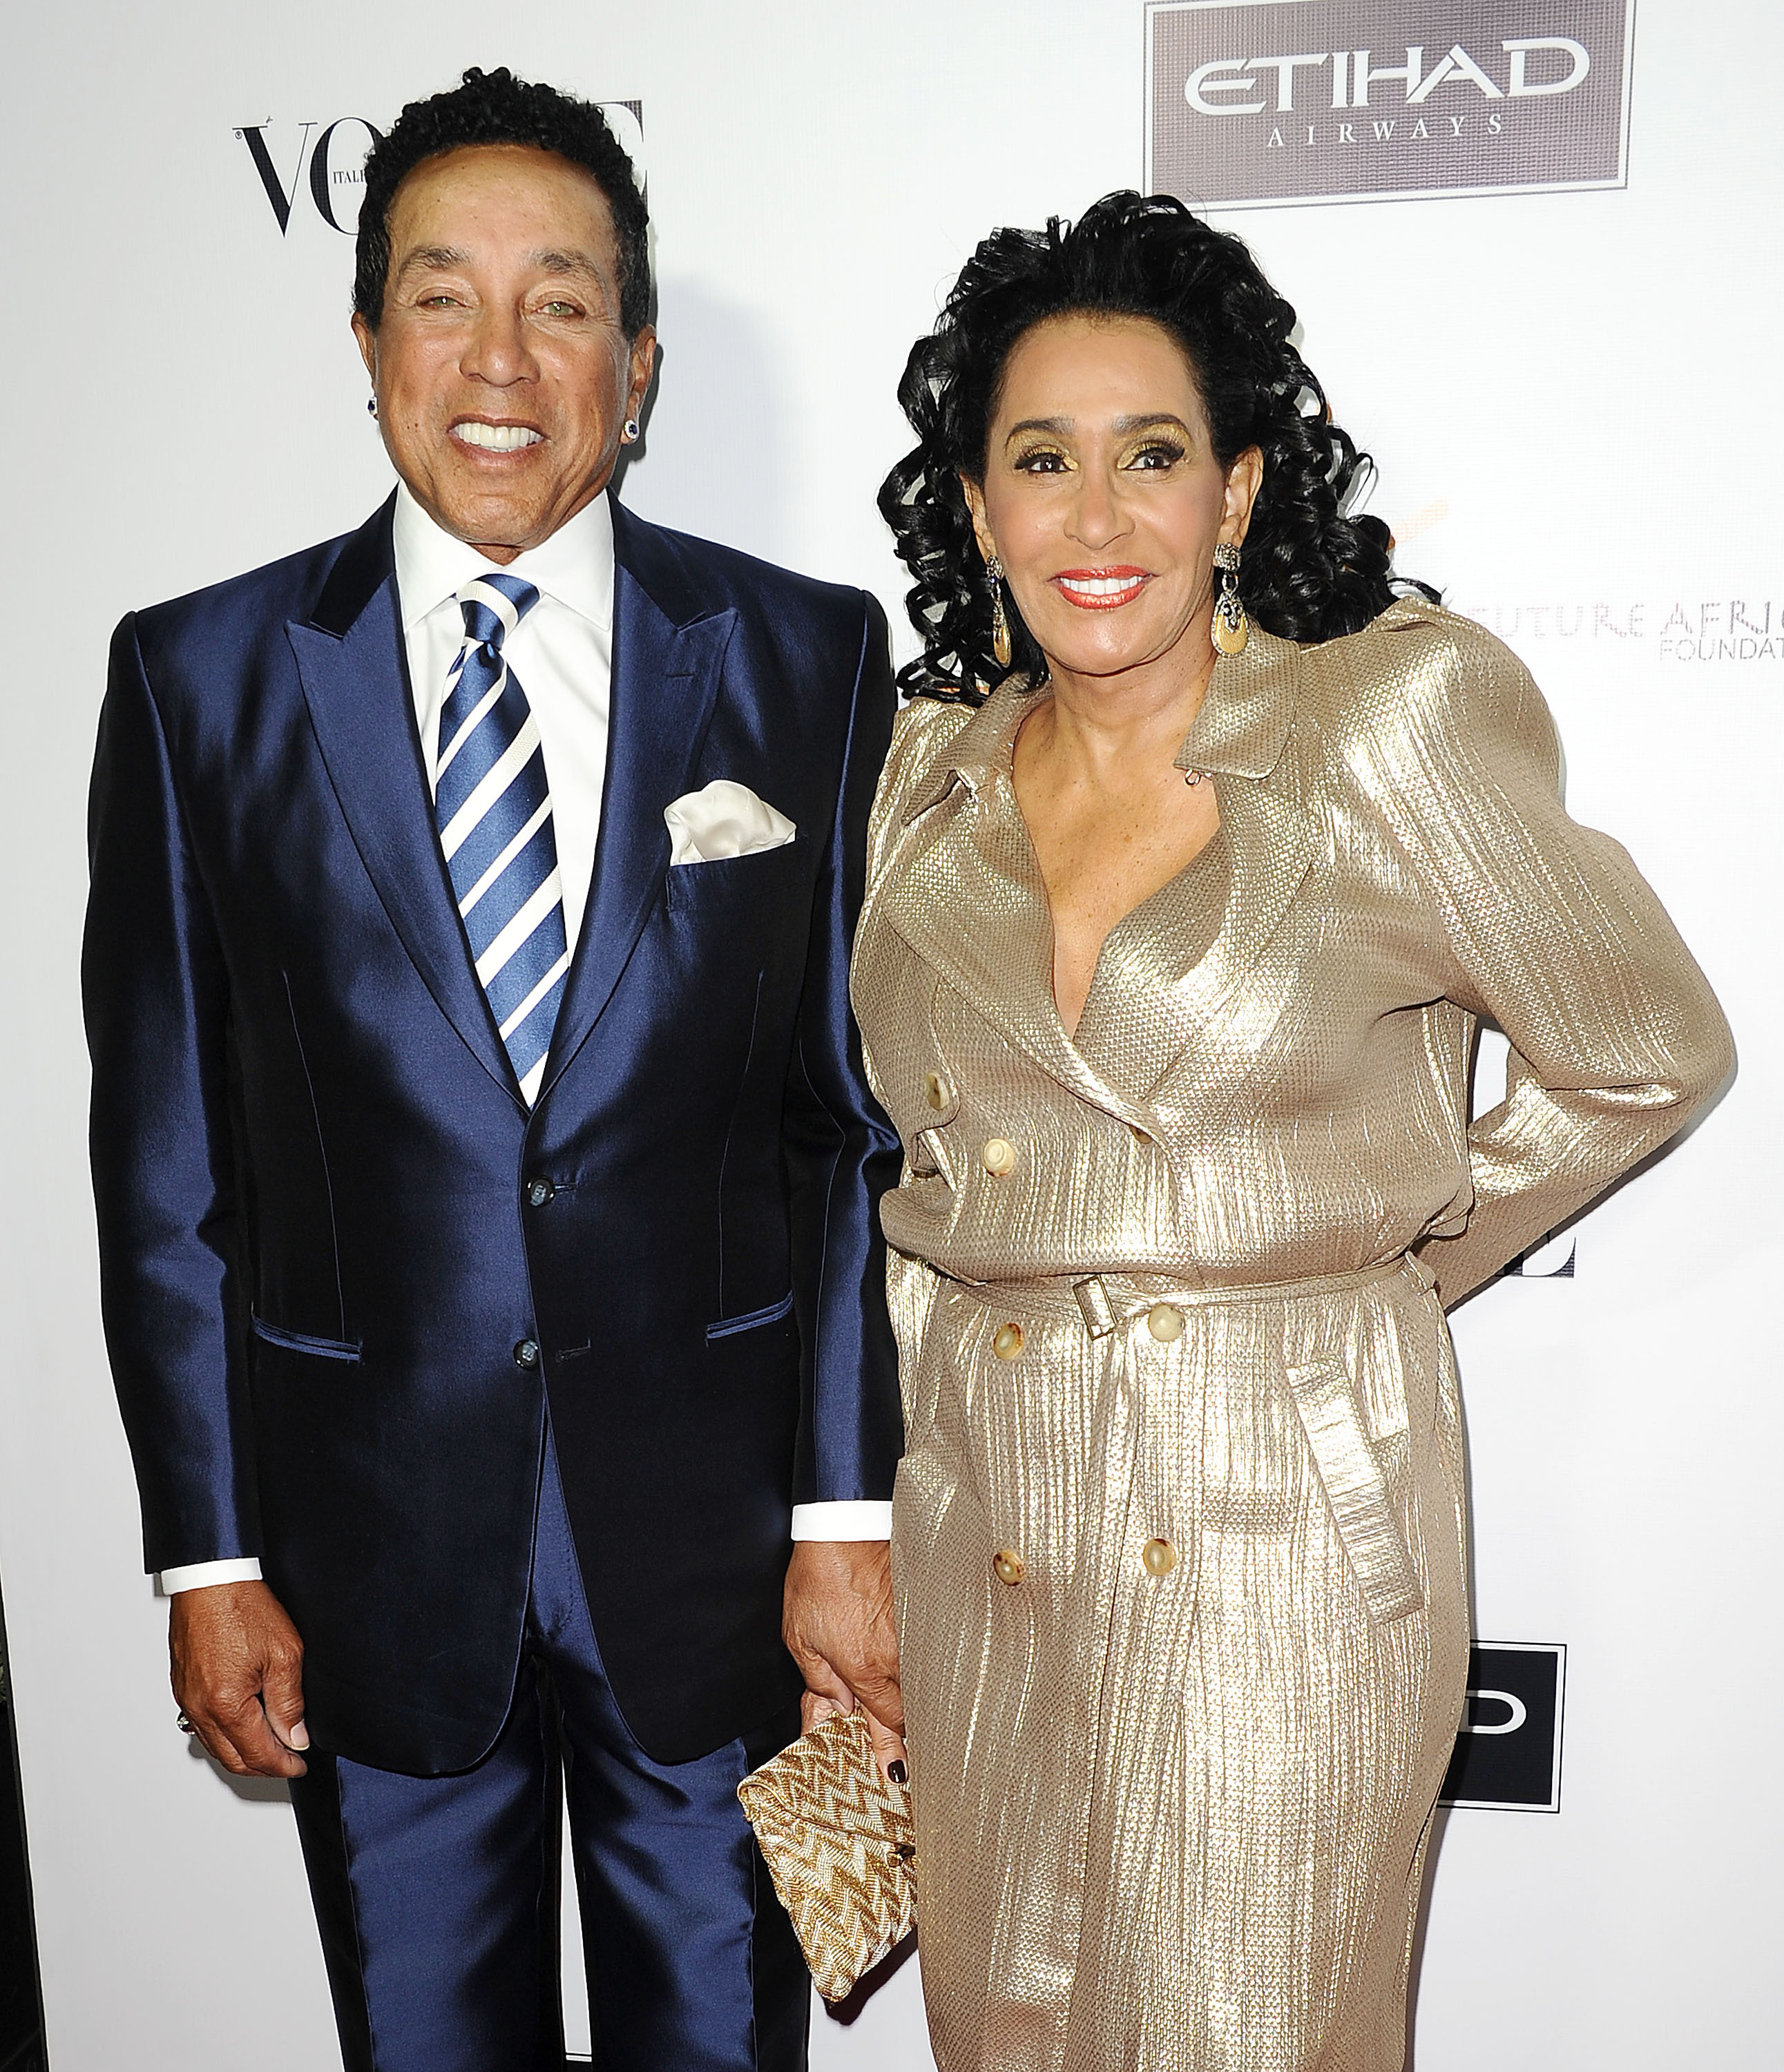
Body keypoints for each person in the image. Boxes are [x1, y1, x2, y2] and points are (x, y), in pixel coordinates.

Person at [852, 191, 1733, 2072]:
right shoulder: (922, 777)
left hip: (1280, 1507)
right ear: (981, 504)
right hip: (986, 1509)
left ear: (1239, 490)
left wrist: (1378, 1261)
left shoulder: (1386, 726)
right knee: (1008, 2028)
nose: (1098, 518)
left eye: (1153, 456)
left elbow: (1642, 1046)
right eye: (1043, 460)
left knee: (1251, 2028)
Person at [84, 67, 906, 2072]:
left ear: (635, 358)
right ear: (367, 342)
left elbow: (841, 1129)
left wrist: (844, 1512)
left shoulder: (805, 658)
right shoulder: (201, 678)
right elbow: (167, 1158)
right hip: (367, 1553)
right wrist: (206, 1552)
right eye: (444, 297)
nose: (502, 358)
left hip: (716, 1560)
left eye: (562, 301)